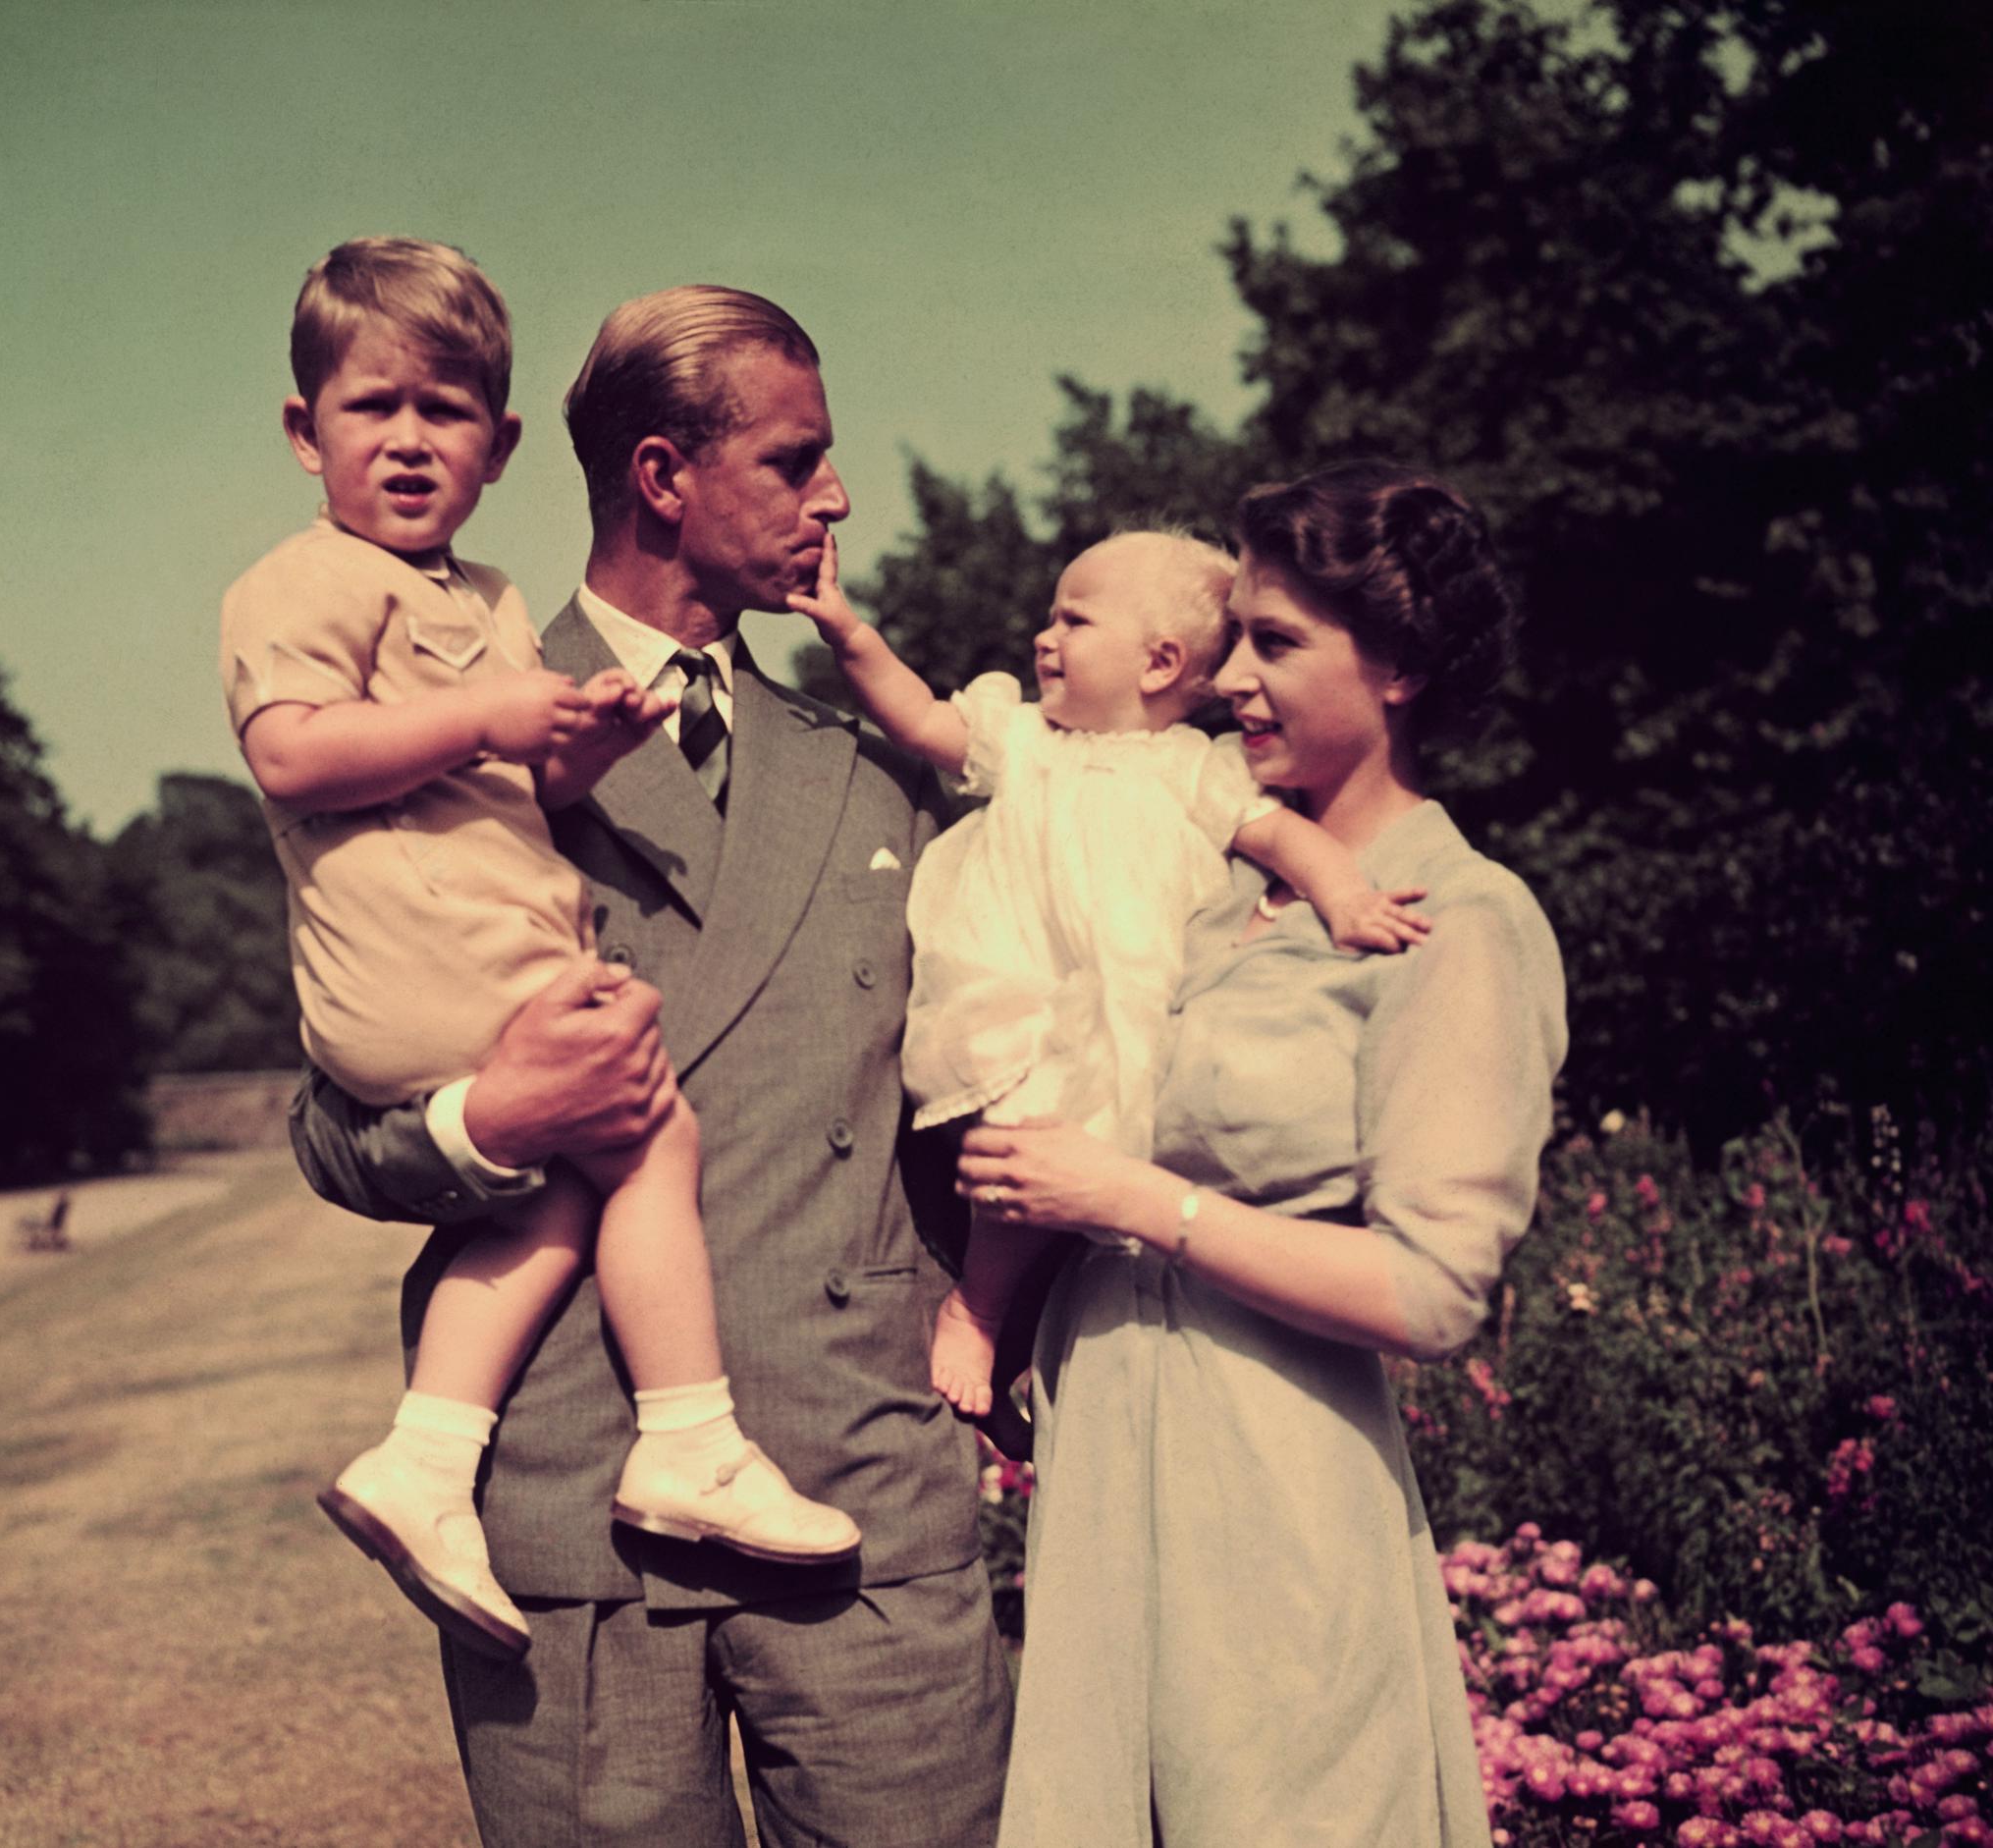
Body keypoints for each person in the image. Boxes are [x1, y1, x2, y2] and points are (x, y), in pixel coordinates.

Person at [285, 285, 1013, 1847]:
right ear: (664, 475)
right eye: (798, 458)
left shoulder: (872, 772)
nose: (835, 498)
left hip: (859, 1494)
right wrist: (492, 1122)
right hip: (570, 1506)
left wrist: (992, 1321)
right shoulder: (429, 723)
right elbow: (334, 1126)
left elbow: (975, 1093)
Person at [221, 242, 860, 1662]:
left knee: (581, 1184)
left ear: (499, 445)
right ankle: (684, 1435)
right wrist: (481, 1118)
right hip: (428, 981)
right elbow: (292, 752)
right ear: (300, 430)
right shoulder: (305, 584)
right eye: (370, 408)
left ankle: (425, 1460)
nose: (406, 442)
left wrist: (577, 747)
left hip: (855, 1446)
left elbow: (522, 792)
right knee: (644, 1132)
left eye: (444, 414)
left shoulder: (491, 608)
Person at [958, 462, 1568, 1847]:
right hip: (1108, 1480)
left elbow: (1431, 1292)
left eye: (1277, 643)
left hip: (1279, 1510)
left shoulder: (1460, 919)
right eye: (1231, 638)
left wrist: (1134, 1199)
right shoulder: (1199, 892)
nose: (1231, 680)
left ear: (1402, 667)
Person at [791, 525, 1431, 1432]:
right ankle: (975, 1310)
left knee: (1096, 1191)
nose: (1044, 637)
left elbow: (1287, 837)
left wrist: (1348, 899)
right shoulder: (1023, 740)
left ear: (1160, 661)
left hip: (1131, 1012)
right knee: (1028, 1148)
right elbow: (921, 718)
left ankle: (1018, 1355)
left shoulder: (1193, 771)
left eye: (1074, 620)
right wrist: (849, 633)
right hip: (1015, 999)